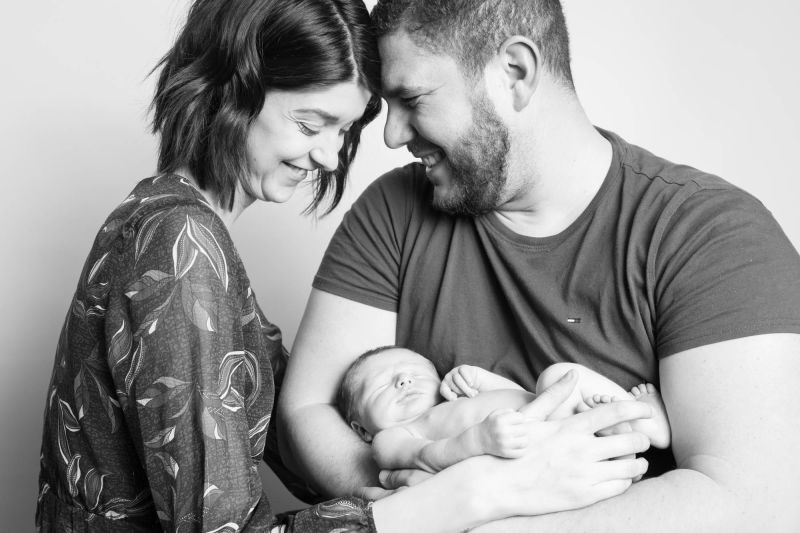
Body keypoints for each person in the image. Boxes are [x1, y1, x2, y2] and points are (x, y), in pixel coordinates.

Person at [35, 0, 655, 531]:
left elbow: (295, 428)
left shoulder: (177, 227)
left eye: (345, 131)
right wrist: (468, 496)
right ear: (231, 88)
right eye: (311, 123)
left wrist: (442, 447)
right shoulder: (179, 243)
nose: (331, 157)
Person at [278, 0, 800, 531]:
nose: (391, 135)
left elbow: (756, 503)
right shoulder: (395, 209)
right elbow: (307, 412)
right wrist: (428, 500)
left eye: (411, 99)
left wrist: (466, 516)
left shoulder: (709, 233)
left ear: (515, 72)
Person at [338, 346, 670, 473]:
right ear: (362, 430)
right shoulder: (396, 434)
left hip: (557, 420)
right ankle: (619, 437)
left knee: (555, 377)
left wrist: (481, 380)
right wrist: (474, 442)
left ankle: (642, 421)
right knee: (555, 387)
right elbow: (422, 457)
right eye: (381, 385)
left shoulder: (457, 402)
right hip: (543, 456)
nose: (403, 381)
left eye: (415, 373)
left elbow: (518, 397)